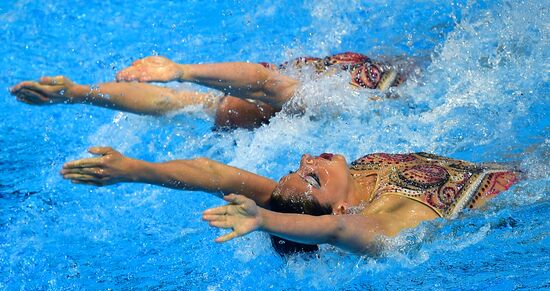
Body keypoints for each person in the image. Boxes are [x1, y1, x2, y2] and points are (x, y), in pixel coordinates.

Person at [60, 147, 518, 255]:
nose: (306, 161)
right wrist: (260, 221)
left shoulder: (340, 180)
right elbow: (336, 233)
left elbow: (214, 173)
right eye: (309, 179)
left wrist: (138, 170)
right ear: (339, 207)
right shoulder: (395, 216)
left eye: (300, 171)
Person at [10, 53, 411, 129]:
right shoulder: (312, 103)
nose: (224, 103)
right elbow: (169, 101)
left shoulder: (285, 101)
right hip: (390, 75)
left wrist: (181, 69)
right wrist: (78, 92)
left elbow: (260, 80)